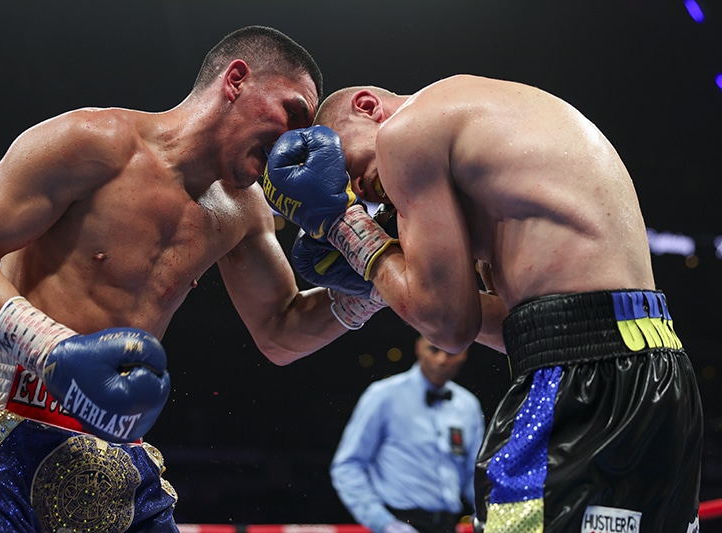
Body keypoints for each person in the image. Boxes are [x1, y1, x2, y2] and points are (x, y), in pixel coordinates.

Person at [0, 25, 357, 533]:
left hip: (116, 453)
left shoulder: (244, 211)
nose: (296, 142)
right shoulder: (91, 142)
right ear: (236, 80)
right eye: (294, 113)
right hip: (3, 427)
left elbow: (281, 331)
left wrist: (367, 287)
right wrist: (52, 349)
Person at [261, 76, 703, 532]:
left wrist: (344, 226)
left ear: (368, 106)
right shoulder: (491, 136)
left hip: (584, 384)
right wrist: (386, 284)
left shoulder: (405, 133)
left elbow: (448, 327)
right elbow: (519, 327)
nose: (353, 188)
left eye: (343, 165)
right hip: (658, 371)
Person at [330, 334, 484, 533]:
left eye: (450, 353)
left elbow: (475, 474)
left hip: (448, 525)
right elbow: (347, 465)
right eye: (434, 350)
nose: (442, 360)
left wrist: (485, 509)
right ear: (419, 347)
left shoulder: (468, 405)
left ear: (464, 353)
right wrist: (382, 522)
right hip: (399, 520)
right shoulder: (383, 396)